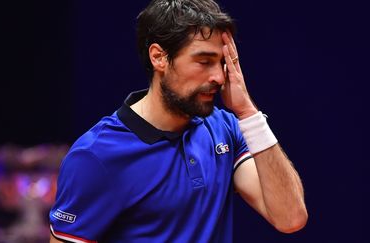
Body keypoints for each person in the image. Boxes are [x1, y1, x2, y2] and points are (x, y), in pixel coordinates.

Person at [49, 0, 308, 242]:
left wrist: (248, 113)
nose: (219, 77)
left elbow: (290, 218)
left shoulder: (225, 128)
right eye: (204, 61)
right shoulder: (96, 156)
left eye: (222, 63)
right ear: (159, 57)